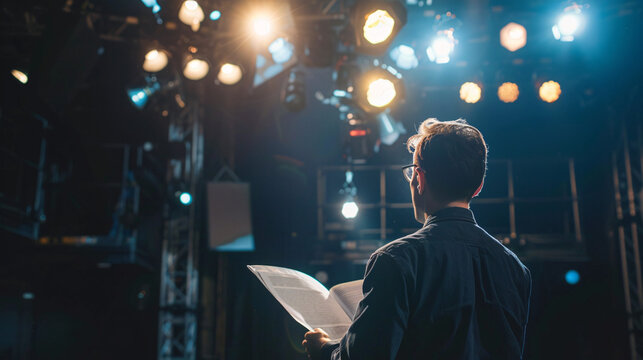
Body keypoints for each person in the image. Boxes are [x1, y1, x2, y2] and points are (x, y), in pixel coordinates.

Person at [302, 118, 531, 360]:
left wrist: (325, 350)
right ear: (478, 187)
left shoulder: (396, 259)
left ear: (419, 179)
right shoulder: (515, 268)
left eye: (412, 171)